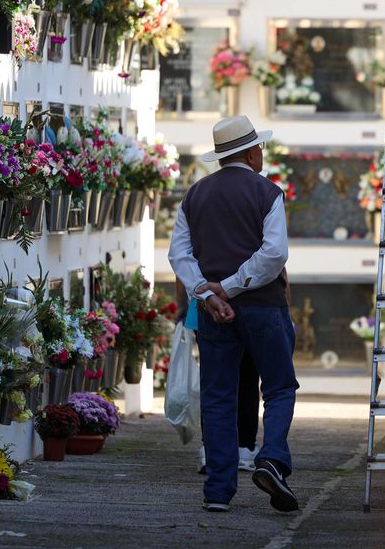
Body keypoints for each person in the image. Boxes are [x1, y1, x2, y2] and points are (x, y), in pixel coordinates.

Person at [168, 116, 300, 514]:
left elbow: (179, 255)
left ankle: (218, 491)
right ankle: (271, 459)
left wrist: (206, 293)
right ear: (249, 152)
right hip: (263, 308)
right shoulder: (267, 192)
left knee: (218, 396)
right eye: (259, 146)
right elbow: (275, 254)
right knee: (278, 388)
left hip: (214, 313)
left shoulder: (194, 195)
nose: (262, 153)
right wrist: (233, 285)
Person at [177, 278, 263, 474]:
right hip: (250, 303)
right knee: (248, 376)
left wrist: (182, 309)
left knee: (213, 380)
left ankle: (212, 450)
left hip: (206, 302)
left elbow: (182, 266)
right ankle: (244, 448)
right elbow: (277, 263)